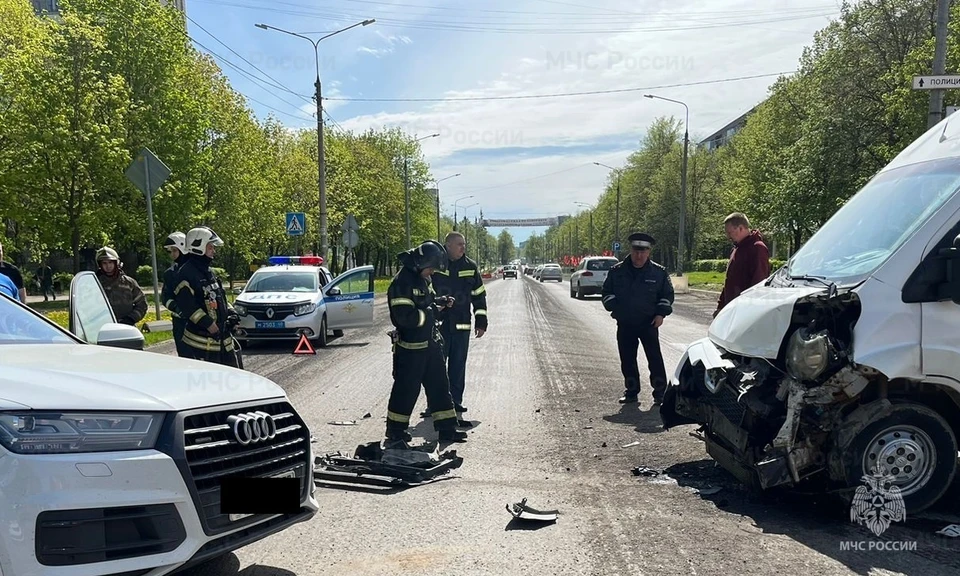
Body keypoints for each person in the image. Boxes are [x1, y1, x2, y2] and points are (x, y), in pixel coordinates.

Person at [384, 240, 468, 446]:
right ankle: (395, 432)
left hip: (429, 345)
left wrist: (439, 302)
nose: (432, 272)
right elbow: (404, 318)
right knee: (406, 390)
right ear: (420, 263)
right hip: (410, 348)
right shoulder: (401, 283)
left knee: (440, 387)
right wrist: (431, 313)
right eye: (431, 268)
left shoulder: (421, 280)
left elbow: (425, 304)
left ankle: (447, 428)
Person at [601, 232, 675, 406]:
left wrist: (660, 314)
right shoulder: (617, 271)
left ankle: (659, 393)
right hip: (625, 323)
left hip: (648, 323)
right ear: (631, 250)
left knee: (654, 359)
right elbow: (606, 293)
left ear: (649, 252)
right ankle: (631, 392)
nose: (639, 255)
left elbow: (667, 295)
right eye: (636, 251)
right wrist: (616, 309)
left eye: (643, 251)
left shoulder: (659, 273)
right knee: (627, 359)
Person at [429, 231, 488, 426]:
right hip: (439, 324)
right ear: (448, 246)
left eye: (464, 244)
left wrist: (481, 322)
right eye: (459, 244)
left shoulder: (470, 267)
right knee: (436, 367)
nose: (463, 247)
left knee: (458, 365)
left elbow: (479, 295)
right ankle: (435, 404)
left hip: (462, 324)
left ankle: (455, 401)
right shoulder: (437, 264)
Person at [173, 226, 242, 368]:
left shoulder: (208, 271)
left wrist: (231, 314)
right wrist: (210, 325)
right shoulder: (186, 273)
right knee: (207, 386)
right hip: (201, 346)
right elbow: (188, 306)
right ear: (199, 247)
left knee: (233, 382)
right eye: (210, 247)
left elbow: (219, 297)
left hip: (222, 342)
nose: (213, 251)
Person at [714, 212, 770, 318]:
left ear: (740, 228)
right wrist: (721, 306)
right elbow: (729, 281)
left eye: (730, 232)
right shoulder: (736, 250)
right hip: (732, 309)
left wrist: (748, 310)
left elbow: (759, 282)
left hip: (746, 311)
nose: (728, 236)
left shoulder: (758, 248)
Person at [95, 246, 147, 326]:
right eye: (104, 263)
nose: (108, 266)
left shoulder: (129, 283)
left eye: (110, 262)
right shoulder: (95, 284)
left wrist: (131, 319)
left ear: (116, 263)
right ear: (100, 265)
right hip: (102, 327)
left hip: (127, 327)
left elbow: (142, 304)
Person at [160, 232, 188, 357]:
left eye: (174, 250)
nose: (172, 255)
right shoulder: (170, 274)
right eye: (170, 251)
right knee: (184, 356)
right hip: (180, 322)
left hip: (199, 323)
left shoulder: (197, 270)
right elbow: (165, 297)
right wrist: (177, 308)